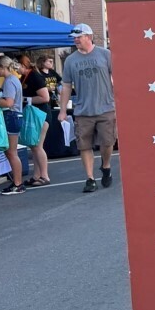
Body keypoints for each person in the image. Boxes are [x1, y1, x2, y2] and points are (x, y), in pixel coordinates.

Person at [58, 23, 116, 193]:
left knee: (108, 142)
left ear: (89, 37)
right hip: (83, 110)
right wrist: (62, 111)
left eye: (79, 37)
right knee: (84, 145)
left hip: (106, 107)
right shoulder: (70, 60)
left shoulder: (105, 55)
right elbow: (67, 86)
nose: (75, 40)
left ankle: (105, 166)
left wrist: (118, 103)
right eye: (74, 38)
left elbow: (117, 79)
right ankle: (90, 178)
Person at [18, 51, 52, 186]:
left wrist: (25, 99)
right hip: (34, 114)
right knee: (34, 146)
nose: (15, 69)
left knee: (38, 145)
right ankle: (37, 175)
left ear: (22, 65)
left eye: (16, 66)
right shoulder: (24, 77)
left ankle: (45, 175)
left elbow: (45, 97)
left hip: (41, 114)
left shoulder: (35, 77)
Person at [0, 56, 25, 194]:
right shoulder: (13, 79)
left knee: (11, 153)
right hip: (15, 116)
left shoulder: (9, 81)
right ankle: (17, 182)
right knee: (12, 152)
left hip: (11, 116)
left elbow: (9, 103)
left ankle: (18, 183)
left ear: (2, 67)